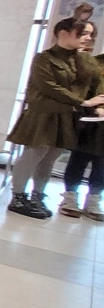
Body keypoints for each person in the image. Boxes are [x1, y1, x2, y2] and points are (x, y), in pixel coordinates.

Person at [7, 18, 104, 219]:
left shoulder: (85, 60)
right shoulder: (45, 58)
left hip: (68, 117)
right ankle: (18, 196)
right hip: (44, 115)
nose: (87, 38)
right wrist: (83, 103)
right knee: (34, 155)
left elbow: (93, 84)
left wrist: (95, 105)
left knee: (50, 158)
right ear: (63, 33)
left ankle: (38, 195)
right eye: (83, 33)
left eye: (90, 34)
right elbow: (49, 87)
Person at [58, 21, 104, 220]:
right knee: (79, 159)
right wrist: (96, 107)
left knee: (102, 165)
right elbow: (82, 88)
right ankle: (70, 197)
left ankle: (94, 199)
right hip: (90, 120)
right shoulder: (95, 63)